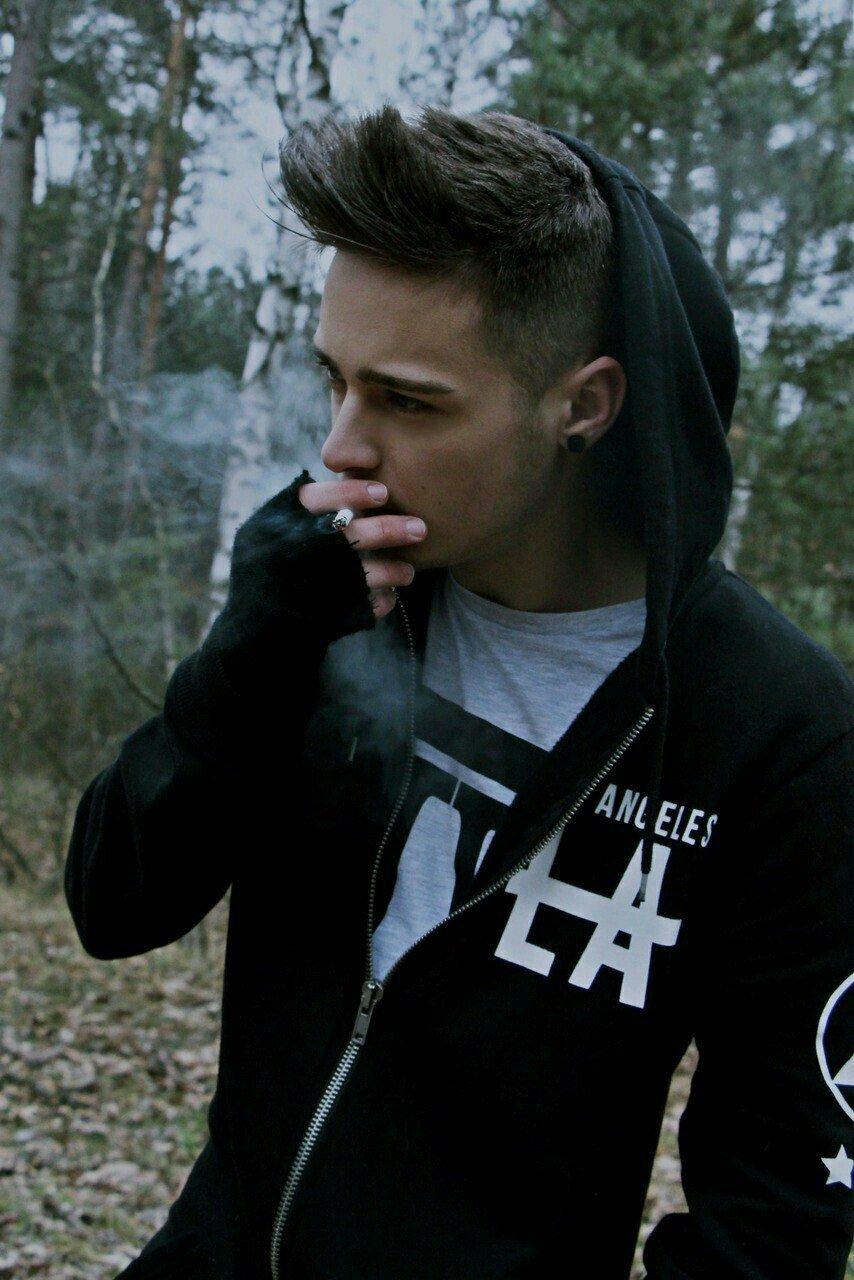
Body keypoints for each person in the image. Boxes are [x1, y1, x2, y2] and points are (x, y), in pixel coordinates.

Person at [65, 105, 853, 1279]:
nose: (341, 448)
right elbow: (113, 903)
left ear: (582, 405)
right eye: (333, 381)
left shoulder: (776, 731)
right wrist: (244, 656)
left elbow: (773, 1218)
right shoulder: (325, 595)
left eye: (408, 401)